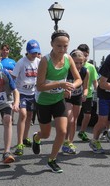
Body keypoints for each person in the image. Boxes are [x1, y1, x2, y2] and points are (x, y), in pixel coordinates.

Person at [32, 30, 82, 173]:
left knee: (62, 131)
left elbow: (78, 79)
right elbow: (40, 86)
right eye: (58, 46)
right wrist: (60, 85)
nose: (62, 49)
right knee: (46, 134)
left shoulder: (68, 59)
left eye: (65, 46)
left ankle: (52, 160)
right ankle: (37, 137)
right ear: (52, 45)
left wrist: (71, 86)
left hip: (58, 100)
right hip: (43, 101)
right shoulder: (45, 61)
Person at [12, 39, 41, 156]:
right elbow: (13, 77)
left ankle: (25, 138)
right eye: (32, 52)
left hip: (33, 93)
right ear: (27, 51)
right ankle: (19, 143)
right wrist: (13, 95)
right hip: (22, 93)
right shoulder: (21, 62)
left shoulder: (39, 62)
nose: (34, 55)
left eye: (36, 52)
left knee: (29, 116)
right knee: (23, 114)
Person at [62, 49, 89, 155]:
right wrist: (65, 90)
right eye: (76, 62)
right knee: (70, 119)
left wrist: (85, 94)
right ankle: (65, 140)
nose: (78, 65)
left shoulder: (85, 71)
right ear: (71, 62)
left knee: (74, 121)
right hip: (67, 96)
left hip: (77, 96)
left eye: (80, 63)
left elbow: (85, 87)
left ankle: (70, 142)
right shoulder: (66, 70)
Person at [77, 44, 99, 142]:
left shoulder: (91, 67)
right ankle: (67, 133)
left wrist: (98, 91)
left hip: (87, 94)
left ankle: (82, 131)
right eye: (83, 55)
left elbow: (95, 81)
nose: (85, 58)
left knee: (88, 115)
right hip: (75, 95)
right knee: (74, 115)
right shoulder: (73, 65)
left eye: (86, 55)